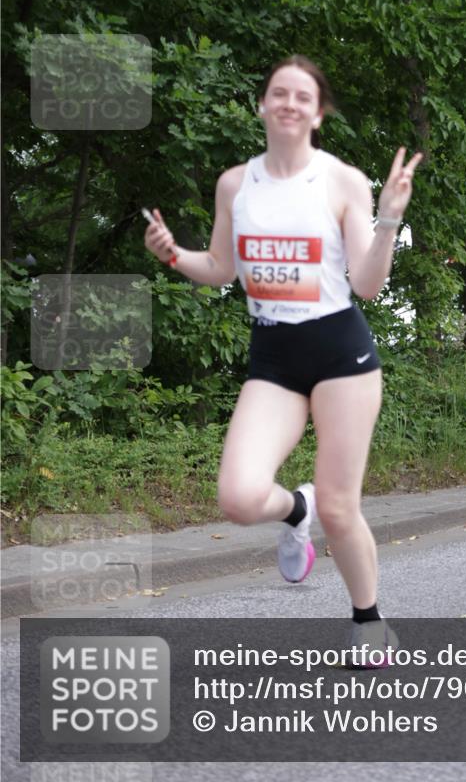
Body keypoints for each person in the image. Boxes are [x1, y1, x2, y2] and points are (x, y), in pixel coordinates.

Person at [144, 54, 422, 666]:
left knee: (342, 504)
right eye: (278, 93)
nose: (289, 103)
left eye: (302, 96)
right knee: (240, 499)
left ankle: (368, 620)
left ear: (317, 112)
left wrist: (389, 221)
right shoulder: (235, 185)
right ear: (263, 106)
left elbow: (368, 285)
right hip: (273, 353)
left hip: (340, 352)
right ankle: (296, 509)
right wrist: (172, 255)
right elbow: (219, 269)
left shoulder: (342, 180)